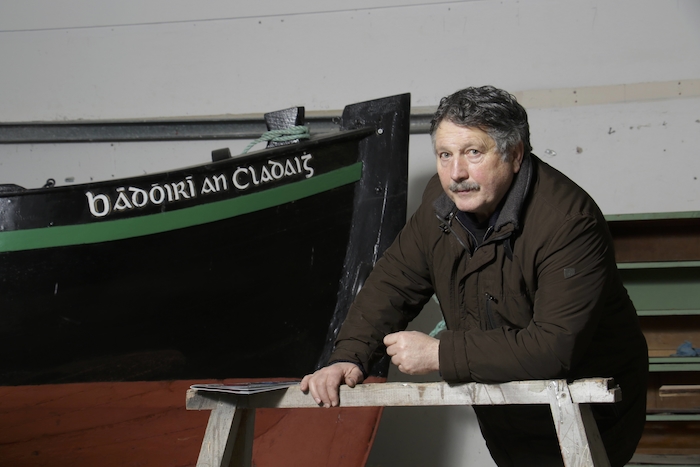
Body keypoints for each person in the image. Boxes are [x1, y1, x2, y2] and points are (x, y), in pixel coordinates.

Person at [301, 85, 648, 467]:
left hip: (591, 415)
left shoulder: (568, 223)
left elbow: (553, 348)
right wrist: (348, 356)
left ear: (515, 154)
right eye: (445, 155)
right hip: (507, 415)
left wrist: (439, 353)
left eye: (473, 152)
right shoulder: (441, 205)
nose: (456, 174)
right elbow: (393, 282)